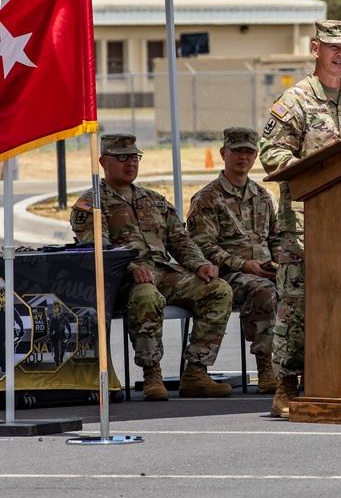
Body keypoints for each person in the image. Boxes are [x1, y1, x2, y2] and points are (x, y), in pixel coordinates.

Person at [258, 20, 341, 418]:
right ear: (316, 49)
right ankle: (287, 383)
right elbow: (273, 153)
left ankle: (339, 375)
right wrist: (316, 172)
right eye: (333, 48)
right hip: (304, 223)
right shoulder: (294, 100)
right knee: (297, 305)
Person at [70, 133, 234, 401]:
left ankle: (196, 372)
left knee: (218, 290)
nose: (130, 163)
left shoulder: (154, 200)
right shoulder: (91, 204)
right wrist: (131, 266)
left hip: (163, 272)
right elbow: (96, 247)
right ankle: (152, 375)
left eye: (134, 157)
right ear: (103, 161)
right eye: (122, 157)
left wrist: (200, 264)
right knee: (147, 296)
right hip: (122, 279)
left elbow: (181, 241)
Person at [186, 127, 280, 394]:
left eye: (249, 152)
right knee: (263, 290)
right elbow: (201, 245)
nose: (243, 157)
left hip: (264, 271)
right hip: (227, 273)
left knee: (304, 285)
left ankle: (303, 366)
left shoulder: (262, 196)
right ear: (223, 153)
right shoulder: (208, 198)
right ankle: (266, 368)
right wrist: (243, 265)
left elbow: (275, 239)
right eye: (237, 151)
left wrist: (282, 266)